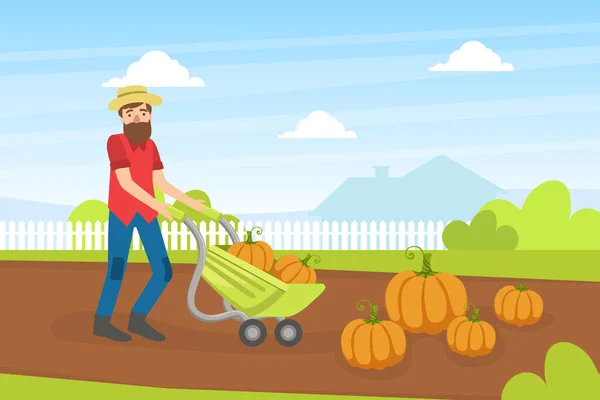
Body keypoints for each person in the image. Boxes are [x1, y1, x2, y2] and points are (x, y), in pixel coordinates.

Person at [93, 85, 205, 342]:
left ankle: (138, 318)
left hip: (146, 214)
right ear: (121, 117)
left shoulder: (151, 146)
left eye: (142, 112)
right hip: (122, 213)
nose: (137, 118)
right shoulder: (115, 142)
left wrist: (190, 202)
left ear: (150, 116)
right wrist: (161, 206)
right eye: (130, 113)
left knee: (164, 271)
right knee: (117, 269)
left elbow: (161, 183)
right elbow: (126, 182)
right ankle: (102, 321)